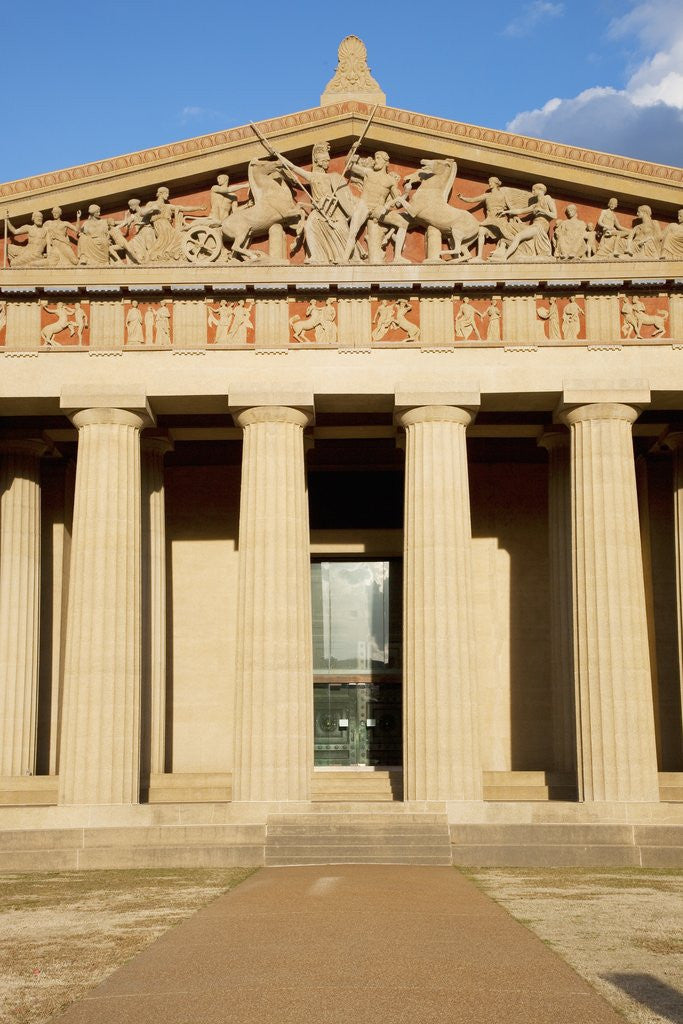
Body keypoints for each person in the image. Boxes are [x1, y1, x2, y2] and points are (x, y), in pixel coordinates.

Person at [276, 143, 354, 264]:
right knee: (309, 226)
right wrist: (278, 155)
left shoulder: (332, 177)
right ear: (318, 161)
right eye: (325, 161)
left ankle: (343, 256)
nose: (328, 163)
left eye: (328, 160)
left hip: (332, 211)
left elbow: (343, 196)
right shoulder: (312, 176)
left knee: (341, 231)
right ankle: (316, 257)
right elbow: (293, 167)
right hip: (319, 210)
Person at [343, 151, 410, 264]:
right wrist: (352, 150)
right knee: (352, 232)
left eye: (378, 158)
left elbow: (398, 203)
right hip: (364, 205)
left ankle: (397, 257)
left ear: (386, 162)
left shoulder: (390, 180)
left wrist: (407, 192)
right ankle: (344, 259)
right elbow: (349, 165)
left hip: (378, 209)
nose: (375, 161)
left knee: (403, 223)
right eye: (375, 158)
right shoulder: (368, 173)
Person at [457, 177, 521, 261]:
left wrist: (515, 217)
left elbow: (510, 207)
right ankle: (479, 256)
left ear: (496, 183)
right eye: (489, 182)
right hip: (489, 220)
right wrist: (462, 198)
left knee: (510, 238)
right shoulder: (487, 196)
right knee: (481, 231)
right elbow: (473, 200)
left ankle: (513, 252)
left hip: (500, 221)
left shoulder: (503, 195)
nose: (489, 184)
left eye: (491, 182)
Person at [498, 183, 556, 261]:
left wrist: (542, 210)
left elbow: (554, 215)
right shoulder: (535, 205)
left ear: (540, 190)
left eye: (534, 190)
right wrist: (506, 212)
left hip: (541, 226)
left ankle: (504, 257)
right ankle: (507, 253)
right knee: (512, 227)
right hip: (534, 225)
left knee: (518, 236)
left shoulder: (547, 198)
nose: (532, 192)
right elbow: (521, 211)